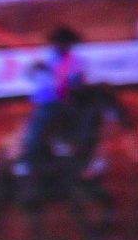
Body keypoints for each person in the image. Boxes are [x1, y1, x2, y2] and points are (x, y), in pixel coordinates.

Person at [17, 26, 90, 173]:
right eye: (60, 42)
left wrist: (73, 87)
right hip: (47, 101)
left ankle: (84, 158)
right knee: (35, 131)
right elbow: (30, 75)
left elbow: (79, 81)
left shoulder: (75, 61)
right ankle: (29, 159)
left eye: (66, 43)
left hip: (68, 101)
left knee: (87, 124)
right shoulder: (44, 58)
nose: (63, 45)